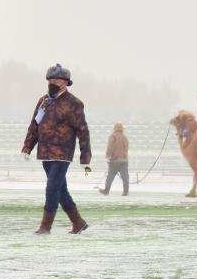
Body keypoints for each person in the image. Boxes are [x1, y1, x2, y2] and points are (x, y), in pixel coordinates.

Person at [21, 63, 91, 234]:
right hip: (45, 152)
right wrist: (27, 147)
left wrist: (85, 158)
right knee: (60, 190)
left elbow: (83, 130)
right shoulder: (44, 101)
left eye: (56, 80)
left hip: (62, 154)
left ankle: (45, 226)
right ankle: (78, 222)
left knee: (52, 188)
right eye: (50, 79)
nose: (52, 83)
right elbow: (34, 125)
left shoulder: (74, 104)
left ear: (66, 82)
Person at [99, 123, 129, 196]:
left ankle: (106, 190)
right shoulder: (125, 137)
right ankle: (125, 192)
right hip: (123, 161)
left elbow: (110, 147)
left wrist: (108, 156)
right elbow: (126, 148)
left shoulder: (113, 136)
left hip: (114, 160)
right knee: (125, 177)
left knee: (110, 177)